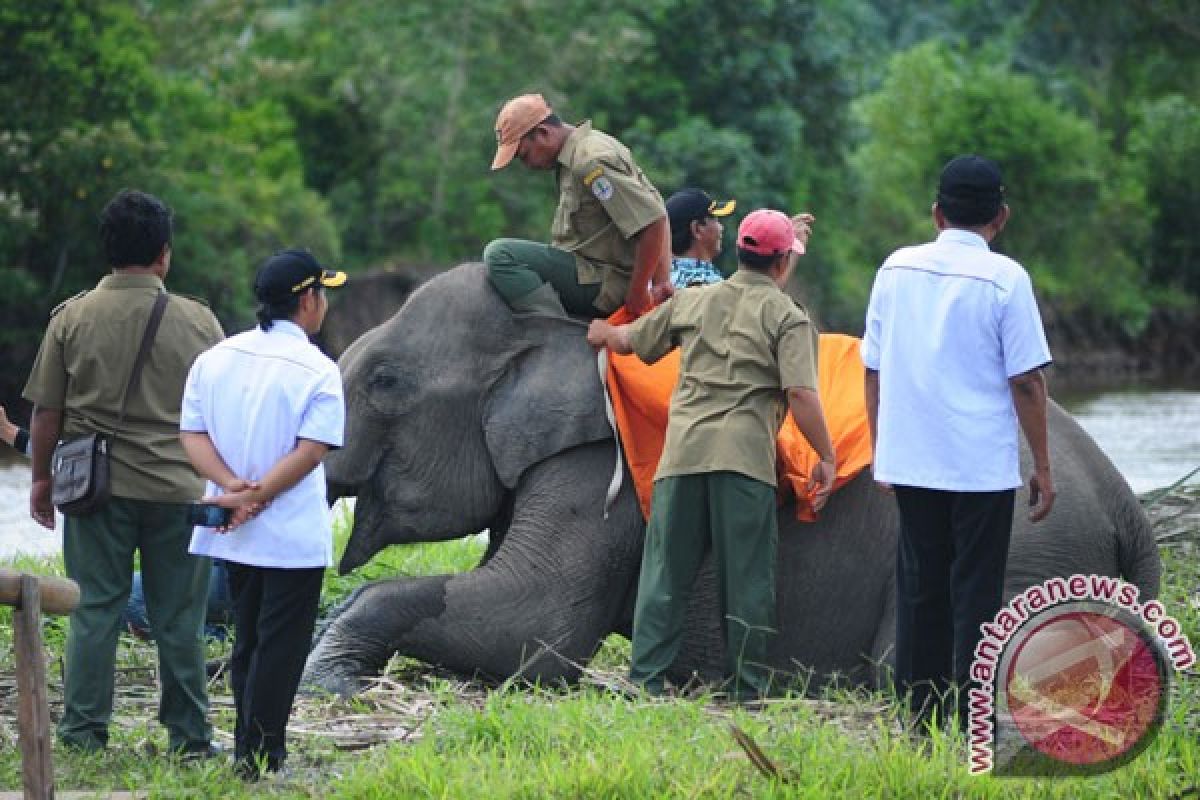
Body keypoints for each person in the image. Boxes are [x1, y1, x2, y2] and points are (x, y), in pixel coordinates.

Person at [588, 209, 837, 702]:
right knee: (747, 583)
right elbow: (803, 395)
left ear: (739, 252)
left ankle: (646, 682)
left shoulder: (697, 301)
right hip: (743, 465)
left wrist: (602, 334)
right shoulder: (789, 318)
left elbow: (631, 341)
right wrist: (825, 456)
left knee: (664, 575)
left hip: (682, 458)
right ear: (783, 263)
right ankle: (747, 690)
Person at [22, 189, 224, 755]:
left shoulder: (71, 317)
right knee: (180, 618)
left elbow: (47, 414)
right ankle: (189, 737)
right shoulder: (199, 321)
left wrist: (40, 481)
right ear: (164, 254)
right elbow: (221, 411)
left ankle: (84, 732)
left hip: (95, 491)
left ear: (106, 250)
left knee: (94, 610)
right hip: (179, 489)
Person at [861, 154, 1055, 729]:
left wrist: (881, 451)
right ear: (1001, 216)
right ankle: (975, 719)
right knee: (976, 594)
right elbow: (1026, 381)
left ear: (936, 213)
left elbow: (871, 369)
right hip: (980, 469)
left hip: (913, 462)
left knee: (920, 588)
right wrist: (1044, 464)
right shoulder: (1006, 278)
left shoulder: (895, 269)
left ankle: (920, 718)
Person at [179, 248, 345, 779]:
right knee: (281, 646)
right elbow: (311, 451)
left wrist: (232, 489)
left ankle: (244, 751)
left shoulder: (217, 357)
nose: (324, 304)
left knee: (247, 638)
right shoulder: (318, 368)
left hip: (232, 528)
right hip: (290, 536)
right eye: (323, 293)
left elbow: (191, 433)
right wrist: (256, 497)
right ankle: (264, 756)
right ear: (307, 300)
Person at [485, 93, 671, 318]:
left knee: (500, 255)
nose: (527, 165)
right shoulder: (578, 153)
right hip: (588, 270)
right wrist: (661, 282)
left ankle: (551, 330)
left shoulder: (590, 160)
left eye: (524, 155)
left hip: (601, 281)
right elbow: (657, 208)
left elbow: (652, 221)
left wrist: (639, 291)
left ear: (543, 133)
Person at [665, 188, 736, 287]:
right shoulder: (714, 286)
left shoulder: (652, 286)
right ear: (697, 229)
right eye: (716, 220)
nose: (721, 228)